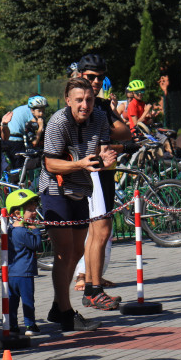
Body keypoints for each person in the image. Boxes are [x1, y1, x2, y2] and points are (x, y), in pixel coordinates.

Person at [40, 77, 117, 332]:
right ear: (67, 100)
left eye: (89, 100)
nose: (85, 105)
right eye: (80, 100)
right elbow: (50, 163)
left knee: (76, 252)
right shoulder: (57, 122)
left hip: (81, 189)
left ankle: (57, 306)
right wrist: (80, 164)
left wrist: (104, 158)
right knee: (63, 252)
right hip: (55, 188)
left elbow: (102, 150)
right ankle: (64, 312)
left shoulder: (100, 118)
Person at [73, 53, 130, 307]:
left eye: (101, 77)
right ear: (80, 76)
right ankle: (91, 288)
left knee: (99, 232)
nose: (96, 82)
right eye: (91, 77)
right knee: (100, 230)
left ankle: (92, 287)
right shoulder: (80, 103)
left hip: (104, 171)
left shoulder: (102, 105)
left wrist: (108, 129)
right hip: (90, 172)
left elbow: (125, 131)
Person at [6, 188, 41, 336]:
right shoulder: (24, 232)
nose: (33, 212)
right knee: (27, 300)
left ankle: (12, 326)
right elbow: (36, 245)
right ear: (17, 213)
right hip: (25, 273)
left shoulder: (8, 231)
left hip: (11, 273)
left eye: (34, 209)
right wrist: (36, 231)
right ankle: (30, 325)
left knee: (12, 301)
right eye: (29, 210)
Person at [3, 95, 47, 176]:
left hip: (11, 136)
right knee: (19, 167)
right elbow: (33, 141)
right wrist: (40, 128)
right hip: (15, 138)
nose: (41, 114)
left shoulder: (24, 108)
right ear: (32, 110)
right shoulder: (31, 118)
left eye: (43, 111)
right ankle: (16, 183)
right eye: (39, 111)